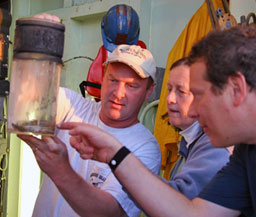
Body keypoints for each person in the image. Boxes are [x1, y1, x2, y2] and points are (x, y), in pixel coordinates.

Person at [56, 24, 256, 217]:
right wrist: (114, 153)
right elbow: (191, 213)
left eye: (199, 95)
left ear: (236, 89)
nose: (195, 111)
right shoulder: (249, 152)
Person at [18, 14, 161, 217]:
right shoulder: (73, 107)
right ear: (103, 76)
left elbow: (109, 212)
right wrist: (39, 38)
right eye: (113, 80)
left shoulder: (145, 148)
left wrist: (60, 169)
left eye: (132, 86)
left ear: (149, 92)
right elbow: (28, 94)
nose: (118, 93)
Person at [163, 57, 229, 199]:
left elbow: (178, 205)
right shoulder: (189, 141)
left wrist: (126, 167)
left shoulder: (216, 146)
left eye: (181, 91)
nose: (170, 99)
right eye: (169, 89)